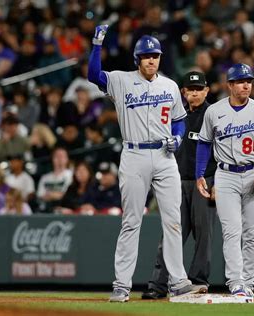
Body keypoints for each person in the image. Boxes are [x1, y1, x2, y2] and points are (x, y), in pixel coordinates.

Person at [87, 25, 194, 302]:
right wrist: (98, 44)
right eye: (146, 56)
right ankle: (122, 285)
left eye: (155, 55)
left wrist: (179, 139)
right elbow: (92, 75)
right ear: (137, 59)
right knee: (131, 221)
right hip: (134, 155)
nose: (151, 60)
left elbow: (180, 120)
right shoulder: (122, 80)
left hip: (164, 156)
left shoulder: (169, 85)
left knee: (173, 221)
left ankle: (178, 281)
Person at [195, 63, 254, 297]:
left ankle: (249, 282)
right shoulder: (214, 111)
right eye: (241, 81)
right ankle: (236, 282)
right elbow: (204, 143)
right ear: (230, 85)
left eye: (249, 81)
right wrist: (200, 173)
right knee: (232, 231)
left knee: (252, 232)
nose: (246, 85)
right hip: (226, 176)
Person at [142, 71, 217, 299]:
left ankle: (198, 282)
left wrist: (218, 183)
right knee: (171, 234)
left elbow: (223, 152)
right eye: (190, 89)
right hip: (175, 181)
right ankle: (159, 285)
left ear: (207, 90)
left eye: (199, 89)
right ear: (183, 92)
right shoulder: (175, 115)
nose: (194, 93)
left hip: (204, 181)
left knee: (204, 235)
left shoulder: (214, 115)